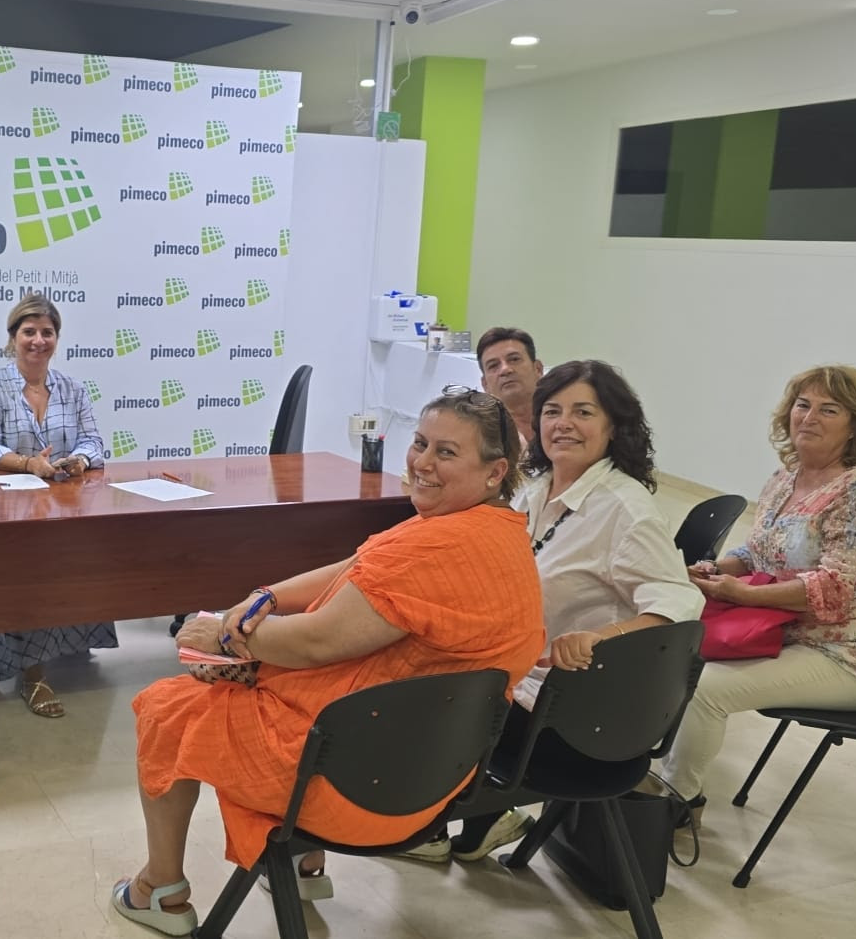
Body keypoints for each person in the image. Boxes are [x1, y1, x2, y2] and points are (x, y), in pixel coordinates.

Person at [111, 389, 546, 937]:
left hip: (354, 789)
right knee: (280, 697)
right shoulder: (495, 533)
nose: (422, 462)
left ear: (495, 471)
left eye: (446, 452)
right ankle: (303, 864)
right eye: (419, 443)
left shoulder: (437, 546)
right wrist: (268, 596)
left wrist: (225, 637)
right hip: (430, 780)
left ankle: (161, 889)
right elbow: (359, 564)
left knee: (166, 707)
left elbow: (315, 644)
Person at [405, 362, 703, 865]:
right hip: (523, 687)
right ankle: (475, 820)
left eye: (583, 412)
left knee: (408, 688)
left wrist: (602, 638)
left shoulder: (626, 511)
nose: (563, 423)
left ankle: (423, 824)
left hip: (569, 722)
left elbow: (680, 604)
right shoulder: (535, 488)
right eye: (552, 411)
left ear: (614, 427)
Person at [660, 365, 856, 819]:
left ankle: (676, 805)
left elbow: (836, 589)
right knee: (669, 652)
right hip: (783, 633)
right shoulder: (786, 477)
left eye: (828, 410)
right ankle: (643, 775)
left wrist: (742, 595)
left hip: (850, 656)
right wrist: (711, 570)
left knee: (706, 691)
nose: (808, 418)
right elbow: (757, 554)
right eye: (802, 405)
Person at [0, 294, 115, 717]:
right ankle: (33, 673)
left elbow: (94, 441)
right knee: (30, 567)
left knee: (81, 554)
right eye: (29, 331)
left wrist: (78, 459)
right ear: (13, 337)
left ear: (57, 338)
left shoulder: (72, 388)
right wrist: (30, 464)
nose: (38, 340)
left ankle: (64, 645)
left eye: (47, 332)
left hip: (55, 502)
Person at [477, 326, 546, 448]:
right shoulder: (479, 434)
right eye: (493, 365)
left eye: (514, 359)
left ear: (538, 369)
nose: (505, 370)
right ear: (485, 384)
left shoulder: (562, 422)